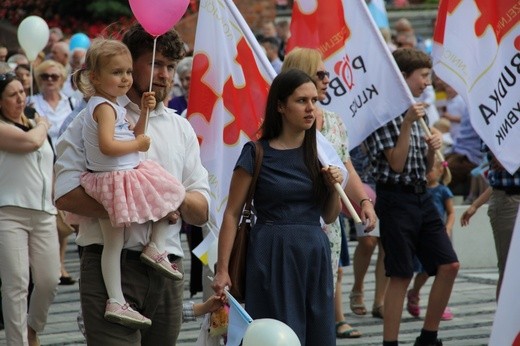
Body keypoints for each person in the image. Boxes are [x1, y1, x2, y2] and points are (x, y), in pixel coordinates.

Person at [54, 23, 210, 345]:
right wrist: (138, 207)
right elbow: (65, 193)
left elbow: (201, 209)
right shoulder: (93, 118)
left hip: (167, 263)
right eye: (155, 63)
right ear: (127, 63)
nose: (165, 75)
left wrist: (170, 199)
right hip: (110, 261)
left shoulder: (181, 128)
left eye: (171, 66)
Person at [212, 69, 344, 346]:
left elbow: (330, 215)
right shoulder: (256, 152)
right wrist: (222, 269)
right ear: (281, 106)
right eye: (301, 101)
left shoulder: (320, 154)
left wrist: (333, 186)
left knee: (318, 334)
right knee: (278, 335)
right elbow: (232, 213)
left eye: (314, 101)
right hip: (272, 254)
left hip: (314, 253)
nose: (311, 108)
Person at [71, 38, 188, 328]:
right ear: (95, 77)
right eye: (117, 72)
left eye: (127, 73)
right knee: (166, 195)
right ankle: (121, 293)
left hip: (119, 177)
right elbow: (110, 145)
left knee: (164, 197)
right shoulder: (103, 108)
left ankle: (124, 287)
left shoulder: (112, 107)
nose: (124, 79)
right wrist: (139, 143)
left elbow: (132, 134)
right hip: (114, 179)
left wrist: (145, 112)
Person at [363, 48, 459, 346]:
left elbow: (427, 168)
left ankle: (428, 336)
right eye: (423, 76)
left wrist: (432, 146)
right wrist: (405, 125)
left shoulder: (419, 109)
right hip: (395, 199)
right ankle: (390, 342)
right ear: (403, 77)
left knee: (449, 265)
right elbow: (396, 163)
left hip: (422, 197)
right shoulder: (380, 114)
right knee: (401, 274)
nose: (427, 83)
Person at [281, 47, 377, 339]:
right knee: (295, 299)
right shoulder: (282, 123)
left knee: (327, 284)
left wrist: (363, 201)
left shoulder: (334, 121)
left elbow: (345, 165)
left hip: (329, 221)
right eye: (320, 73)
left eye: (327, 74)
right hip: (293, 222)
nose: (327, 79)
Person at [0, 70, 60, 346]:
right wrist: (44, 125)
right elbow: (31, 142)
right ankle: (17, 342)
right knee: (16, 285)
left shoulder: (35, 121)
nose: (20, 98)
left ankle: (33, 328)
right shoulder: (19, 127)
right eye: (12, 95)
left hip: (44, 212)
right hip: (8, 213)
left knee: (50, 280)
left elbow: (50, 162)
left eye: (22, 92)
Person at [461, 145, 520, 300]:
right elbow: (502, 161)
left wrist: (476, 204)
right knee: (510, 270)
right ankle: (507, 323)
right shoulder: (499, 124)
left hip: (508, 198)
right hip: (510, 200)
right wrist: (475, 205)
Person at [406, 159, 455, 321]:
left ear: (441, 171)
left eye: (431, 169)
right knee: (425, 269)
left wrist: (448, 228)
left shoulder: (443, 191)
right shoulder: (419, 190)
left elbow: (451, 212)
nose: (428, 172)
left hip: (439, 235)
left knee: (445, 268)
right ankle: (415, 292)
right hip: (422, 234)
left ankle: (442, 302)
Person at [349, 144, 389, 320]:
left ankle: (380, 300)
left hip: (388, 187)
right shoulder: (353, 131)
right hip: (361, 190)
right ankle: (358, 287)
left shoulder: (385, 126)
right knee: (367, 240)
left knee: (386, 244)